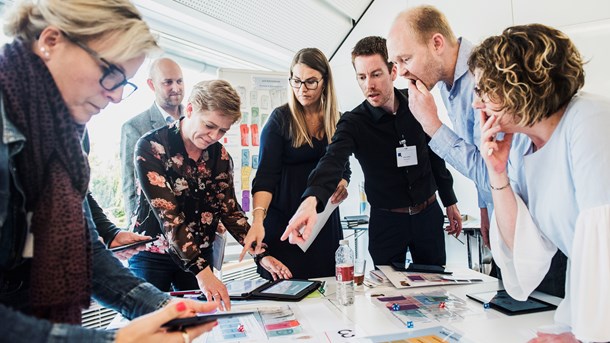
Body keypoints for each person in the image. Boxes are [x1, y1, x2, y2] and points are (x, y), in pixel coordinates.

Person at [0, 0, 217, 342]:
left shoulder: (66, 140)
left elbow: (88, 257)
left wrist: (165, 308)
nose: (116, 97)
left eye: (124, 83)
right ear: (52, 41)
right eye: (111, 74)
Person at [386, 5, 567, 298]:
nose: (401, 72)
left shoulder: (488, 80)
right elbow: (488, 162)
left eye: (405, 59)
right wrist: (486, 209)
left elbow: (496, 166)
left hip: (536, 237)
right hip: (505, 219)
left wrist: (433, 127)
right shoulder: (446, 86)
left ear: (436, 43)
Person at [470, 24, 610, 342]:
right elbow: (526, 251)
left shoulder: (589, 121)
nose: (477, 104)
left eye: (483, 90)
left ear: (519, 85)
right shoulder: (524, 146)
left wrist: (583, 339)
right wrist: (497, 172)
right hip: (585, 315)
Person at [283, 36, 462, 268]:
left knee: (436, 291)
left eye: (376, 74)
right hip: (387, 223)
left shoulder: (417, 104)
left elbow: (435, 154)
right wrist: (311, 200)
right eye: (362, 77)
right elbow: (332, 160)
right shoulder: (353, 122)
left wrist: (450, 201)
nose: (369, 85)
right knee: (388, 299)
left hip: (428, 216)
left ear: (393, 71)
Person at [131, 80, 290, 311]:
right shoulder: (151, 147)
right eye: (209, 125)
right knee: (151, 327)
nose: (214, 136)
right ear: (190, 109)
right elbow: (169, 217)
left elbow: (230, 211)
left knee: (200, 327)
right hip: (154, 257)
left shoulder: (220, 157)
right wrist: (203, 272)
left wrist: (261, 254)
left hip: (200, 255)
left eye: (222, 131)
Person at [246, 48, 350, 280]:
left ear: (325, 82)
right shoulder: (280, 120)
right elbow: (265, 178)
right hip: (284, 224)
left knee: (326, 292)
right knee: (286, 291)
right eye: (297, 80)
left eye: (311, 82)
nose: (302, 89)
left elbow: (344, 169)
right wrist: (258, 220)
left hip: (323, 223)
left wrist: (341, 184)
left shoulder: (337, 120)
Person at [121, 57, 184, 220]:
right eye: (168, 82)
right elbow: (129, 182)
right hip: (155, 223)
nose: (176, 88)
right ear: (151, 84)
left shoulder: (196, 122)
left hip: (195, 223)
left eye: (179, 81)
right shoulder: (134, 127)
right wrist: (134, 223)